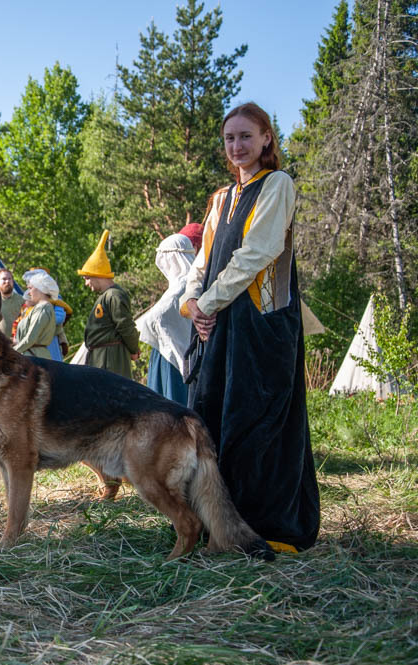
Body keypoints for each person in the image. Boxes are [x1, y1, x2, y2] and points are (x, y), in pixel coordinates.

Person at [180, 101, 319, 553]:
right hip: (216, 325)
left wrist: (207, 302)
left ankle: (267, 530)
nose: (237, 145)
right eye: (229, 138)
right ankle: (215, 527)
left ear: (266, 139)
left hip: (261, 327)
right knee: (210, 422)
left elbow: (257, 253)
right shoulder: (221, 198)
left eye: (246, 136)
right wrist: (190, 303)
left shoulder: (276, 185)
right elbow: (200, 264)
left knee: (258, 426)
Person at [135, 234, 195, 405]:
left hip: (172, 356)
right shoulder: (183, 284)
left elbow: (159, 316)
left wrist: (136, 328)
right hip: (168, 349)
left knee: (172, 404)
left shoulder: (185, 284)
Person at [78, 232, 140, 378]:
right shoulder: (106, 296)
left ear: (98, 274)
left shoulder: (114, 295)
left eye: (87, 278)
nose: (86, 283)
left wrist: (133, 349)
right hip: (101, 357)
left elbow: (126, 326)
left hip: (110, 359)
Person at [13, 272, 59, 360]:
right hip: (30, 355)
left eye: (30, 288)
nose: (29, 293)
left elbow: (30, 339)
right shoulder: (39, 308)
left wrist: (12, 352)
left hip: (35, 358)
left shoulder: (43, 308)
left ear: (40, 288)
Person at [0, 268, 24, 339]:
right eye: (4, 279)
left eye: (9, 279)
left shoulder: (22, 300)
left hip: (16, 344)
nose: (7, 281)